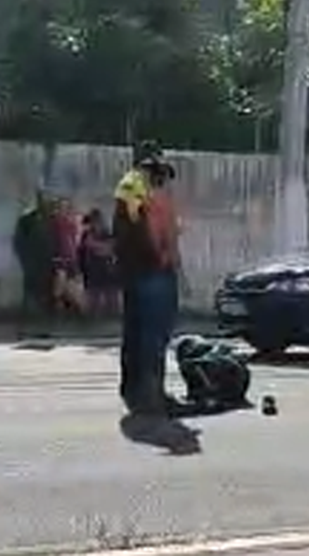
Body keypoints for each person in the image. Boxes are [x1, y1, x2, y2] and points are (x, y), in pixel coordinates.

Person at [113, 140, 183, 415]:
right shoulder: (138, 187)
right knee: (153, 335)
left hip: (137, 271)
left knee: (137, 333)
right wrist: (160, 256)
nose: (163, 179)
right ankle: (151, 394)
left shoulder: (129, 185)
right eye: (160, 171)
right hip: (151, 272)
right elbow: (144, 228)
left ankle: (134, 390)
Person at [13, 189, 59, 337]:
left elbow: (54, 239)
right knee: (30, 297)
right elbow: (18, 242)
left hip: (47, 264)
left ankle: (45, 328)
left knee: (47, 297)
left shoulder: (49, 217)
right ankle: (25, 328)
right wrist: (26, 260)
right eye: (44, 199)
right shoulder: (27, 219)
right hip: (33, 265)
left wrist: (55, 257)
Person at [79, 208, 118, 317]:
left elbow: (111, 248)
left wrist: (96, 247)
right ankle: (94, 317)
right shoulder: (87, 234)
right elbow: (85, 247)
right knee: (94, 298)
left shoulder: (106, 233)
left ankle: (109, 317)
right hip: (94, 270)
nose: (94, 225)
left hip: (106, 269)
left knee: (110, 298)